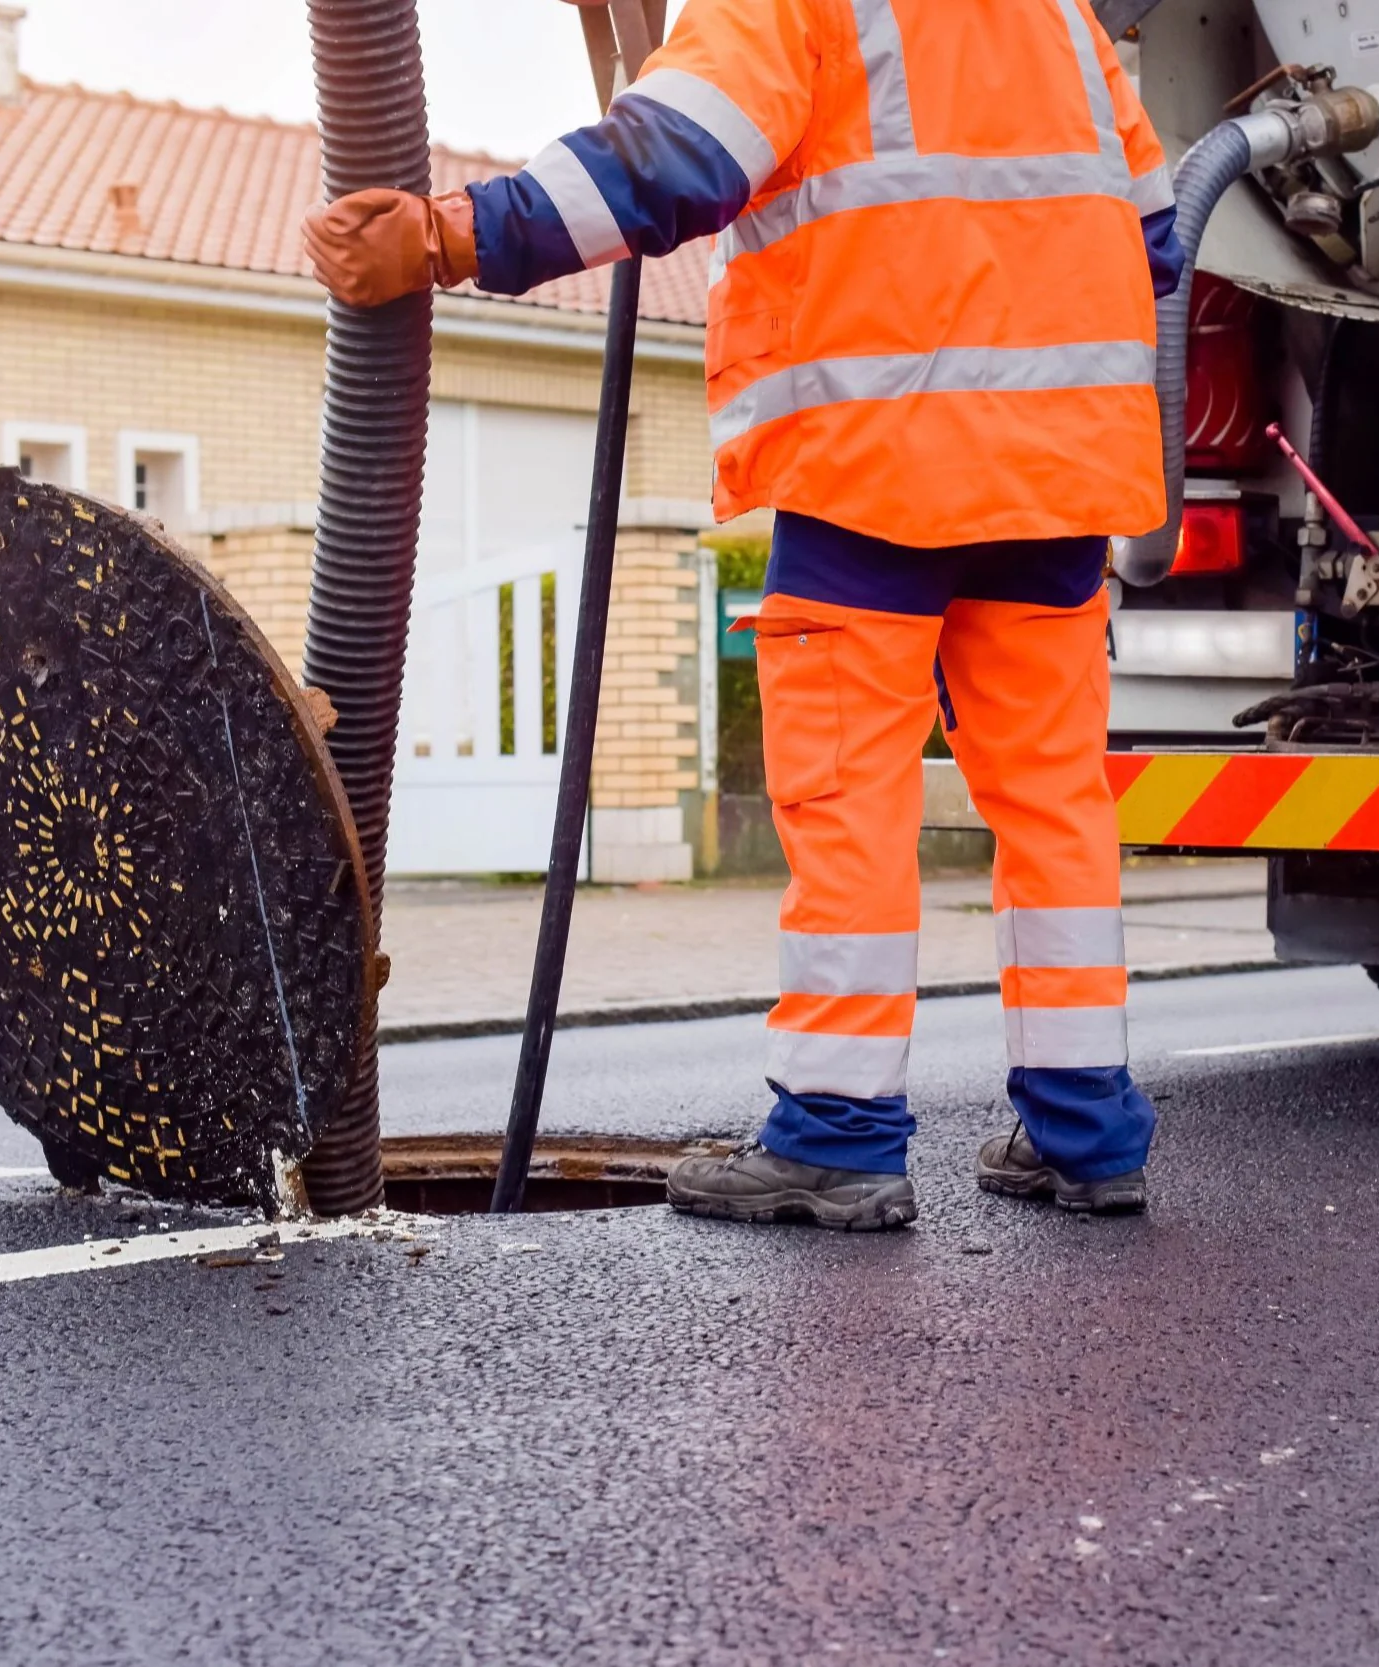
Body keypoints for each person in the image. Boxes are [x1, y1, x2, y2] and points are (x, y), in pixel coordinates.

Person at [303, 0, 1184, 1230]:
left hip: (873, 459)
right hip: (1057, 477)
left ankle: (836, 1133)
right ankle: (1086, 1134)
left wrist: (453, 235)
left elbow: (675, 158)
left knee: (847, 799)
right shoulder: (1058, 19)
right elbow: (1152, 233)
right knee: (1053, 803)